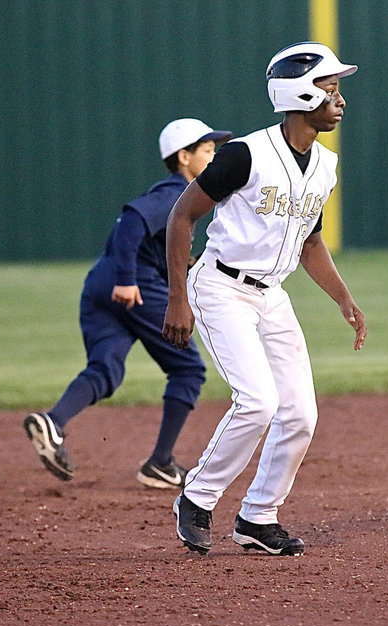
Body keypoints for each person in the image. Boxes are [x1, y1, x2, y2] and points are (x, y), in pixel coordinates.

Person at [162, 42, 367, 556]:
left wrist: (344, 299)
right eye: (329, 88)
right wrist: (178, 298)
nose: (339, 100)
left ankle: (258, 517)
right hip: (220, 288)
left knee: (300, 414)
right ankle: (197, 497)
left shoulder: (324, 164)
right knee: (257, 402)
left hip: (271, 295)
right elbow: (182, 217)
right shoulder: (245, 154)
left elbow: (311, 241)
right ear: (298, 93)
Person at [23, 118, 232, 488]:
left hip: (100, 285)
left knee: (106, 368)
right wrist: (126, 279)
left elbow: (163, 248)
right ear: (184, 157)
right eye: (207, 150)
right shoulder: (175, 192)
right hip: (133, 283)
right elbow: (130, 222)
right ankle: (161, 463)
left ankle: (53, 423)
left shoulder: (177, 194)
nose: (214, 157)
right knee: (188, 369)